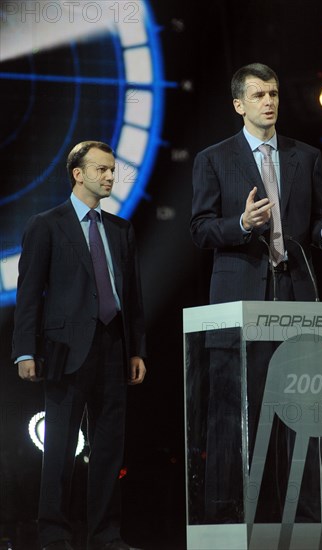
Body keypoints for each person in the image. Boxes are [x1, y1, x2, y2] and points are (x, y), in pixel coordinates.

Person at [190, 63, 322, 523]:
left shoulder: (307, 156)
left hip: (295, 297)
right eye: (259, 94)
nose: (270, 101)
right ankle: (229, 512)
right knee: (234, 410)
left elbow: (317, 229)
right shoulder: (214, 159)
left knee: (296, 407)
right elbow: (200, 230)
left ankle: (297, 515)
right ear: (239, 105)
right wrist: (241, 225)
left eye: (275, 93)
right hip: (240, 298)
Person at [12, 141, 147, 550]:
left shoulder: (121, 230)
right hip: (65, 351)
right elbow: (29, 292)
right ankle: (54, 533)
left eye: (112, 170)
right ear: (78, 173)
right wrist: (24, 350)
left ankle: (106, 534)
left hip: (113, 347)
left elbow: (134, 296)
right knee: (59, 448)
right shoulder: (46, 224)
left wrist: (136, 348)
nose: (110, 176)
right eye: (102, 169)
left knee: (109, 450)